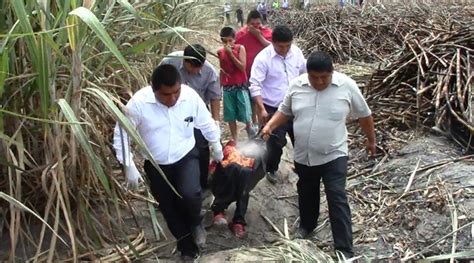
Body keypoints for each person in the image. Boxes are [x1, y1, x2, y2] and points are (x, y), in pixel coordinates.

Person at [261, 51, 376, 258]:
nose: (320, 81)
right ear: (308, 73)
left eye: (325, 77)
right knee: (306, 190)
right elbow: (285, 111)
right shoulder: (297, 85)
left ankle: (344, 250)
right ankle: (307, 226)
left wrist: (371, 140)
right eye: (315, 77)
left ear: (332, 73)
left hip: (334, 153)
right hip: (304, 154)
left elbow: (364, 114)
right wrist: (270, 125)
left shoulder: (346, 86)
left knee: (337, 197)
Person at [113, 64, 224, 260]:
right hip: (156, 165)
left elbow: (205, 121)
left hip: (185, 155)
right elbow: (121, 135)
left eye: (176, 92)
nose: (172, 98)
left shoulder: (189, 97)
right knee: (168, 207)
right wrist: (128, 164)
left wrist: (215, 143)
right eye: (166, 95)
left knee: (190, 194)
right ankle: (187, 248)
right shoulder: (138, 104)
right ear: (154, 89)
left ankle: (195, 222)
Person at [249, 24, 306, 184]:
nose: (285, 49)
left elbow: (304, 73)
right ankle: (272, 168)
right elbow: (255, 85)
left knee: (301, 140)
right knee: (275, 143)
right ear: (272, 42)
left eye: (288, 45)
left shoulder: (297, 53)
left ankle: (302, 169)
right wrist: (261, 109)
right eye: (281, 46)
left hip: (296, 106)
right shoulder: (262, 58)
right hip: (273, 108)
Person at [159, 44, 221, 191]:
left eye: (199, 67)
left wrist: (215, 121)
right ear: (185, 61)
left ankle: (202, 183)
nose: (196, 71)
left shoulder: (209, 71)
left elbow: (215, 96)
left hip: (197, 113)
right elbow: (157, 85)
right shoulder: (169, 62)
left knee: (201, 146)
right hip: (171, 110)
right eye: (192, 67)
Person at [235, 10, 272, 128]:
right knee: (250, 99)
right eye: (253, 24)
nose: (256, 27)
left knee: (261, 99)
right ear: (247, 23)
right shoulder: (241, 34)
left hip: (264, 74)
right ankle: (252, 124)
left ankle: (263, 124)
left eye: (258, 24)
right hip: (246, 73)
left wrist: (258, 35)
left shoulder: (267, 33)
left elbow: (272, 48)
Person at [218, 27, 255, 141]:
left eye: (230, 40)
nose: (228, 44)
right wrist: (219, 87)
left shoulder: (240, 48)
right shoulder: (220, 52)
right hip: (227, 87)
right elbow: (222, 70)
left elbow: (242, 67)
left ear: (234, 40)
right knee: (230, 115)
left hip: (240, 86)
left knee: (246, 114)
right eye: (225, 41)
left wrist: (231, 55)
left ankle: (251, 136)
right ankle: (235, 140)